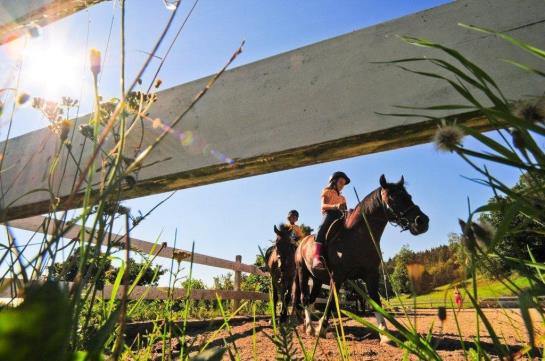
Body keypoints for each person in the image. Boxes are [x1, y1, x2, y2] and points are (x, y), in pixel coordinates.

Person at [313, 171, 350, 269]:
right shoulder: (327, 191)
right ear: (334, 181)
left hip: (341, 217)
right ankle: (316, 257)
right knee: (322, 228)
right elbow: (323, 205)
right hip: (329, 214)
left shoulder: (343, 198)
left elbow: (345, 210)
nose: (342, 185)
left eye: (344, 184)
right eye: (341, 182)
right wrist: (336, 206)